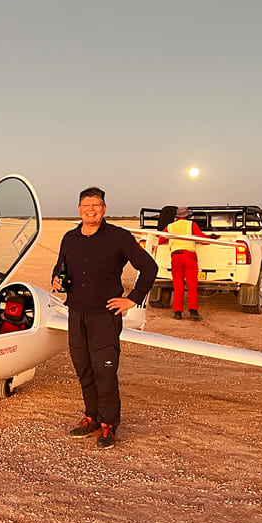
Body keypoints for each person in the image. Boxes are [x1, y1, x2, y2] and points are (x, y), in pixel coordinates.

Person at [51, 187, 158, 449]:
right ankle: (92, 417)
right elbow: (60, 265)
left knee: (105, 370)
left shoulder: (118, 237)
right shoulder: (70, 237)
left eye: (96, 205)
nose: (91, 210)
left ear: (104, 208)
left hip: (105, 315)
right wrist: (56, 278)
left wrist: (132, 299)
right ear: (79, 209)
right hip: (76, 313)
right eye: (86, 206)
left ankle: (109, 424)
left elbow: (149, 267)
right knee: (83, 368)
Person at [161, 207, 216, 321]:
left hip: (175, 257)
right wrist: (211, 238)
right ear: (188, 216)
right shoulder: (191, 225)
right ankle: (193, 311)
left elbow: (161, 240)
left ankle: (177, 312)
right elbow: (202, 239)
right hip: (189, 257)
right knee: (192, 285)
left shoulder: (170, 226)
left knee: (178, 286)